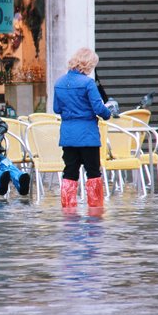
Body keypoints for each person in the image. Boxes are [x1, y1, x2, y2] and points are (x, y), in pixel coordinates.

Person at [53, 47, 113, 209]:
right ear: (88, 64)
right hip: (88, 135)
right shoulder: (88, 83)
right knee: (93, 171)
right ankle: (95, 208)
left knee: (70, 171)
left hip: (68, 136)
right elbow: (99, 109)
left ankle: (68, 208)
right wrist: (109, 113)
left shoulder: (59, 83)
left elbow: (57, 109)